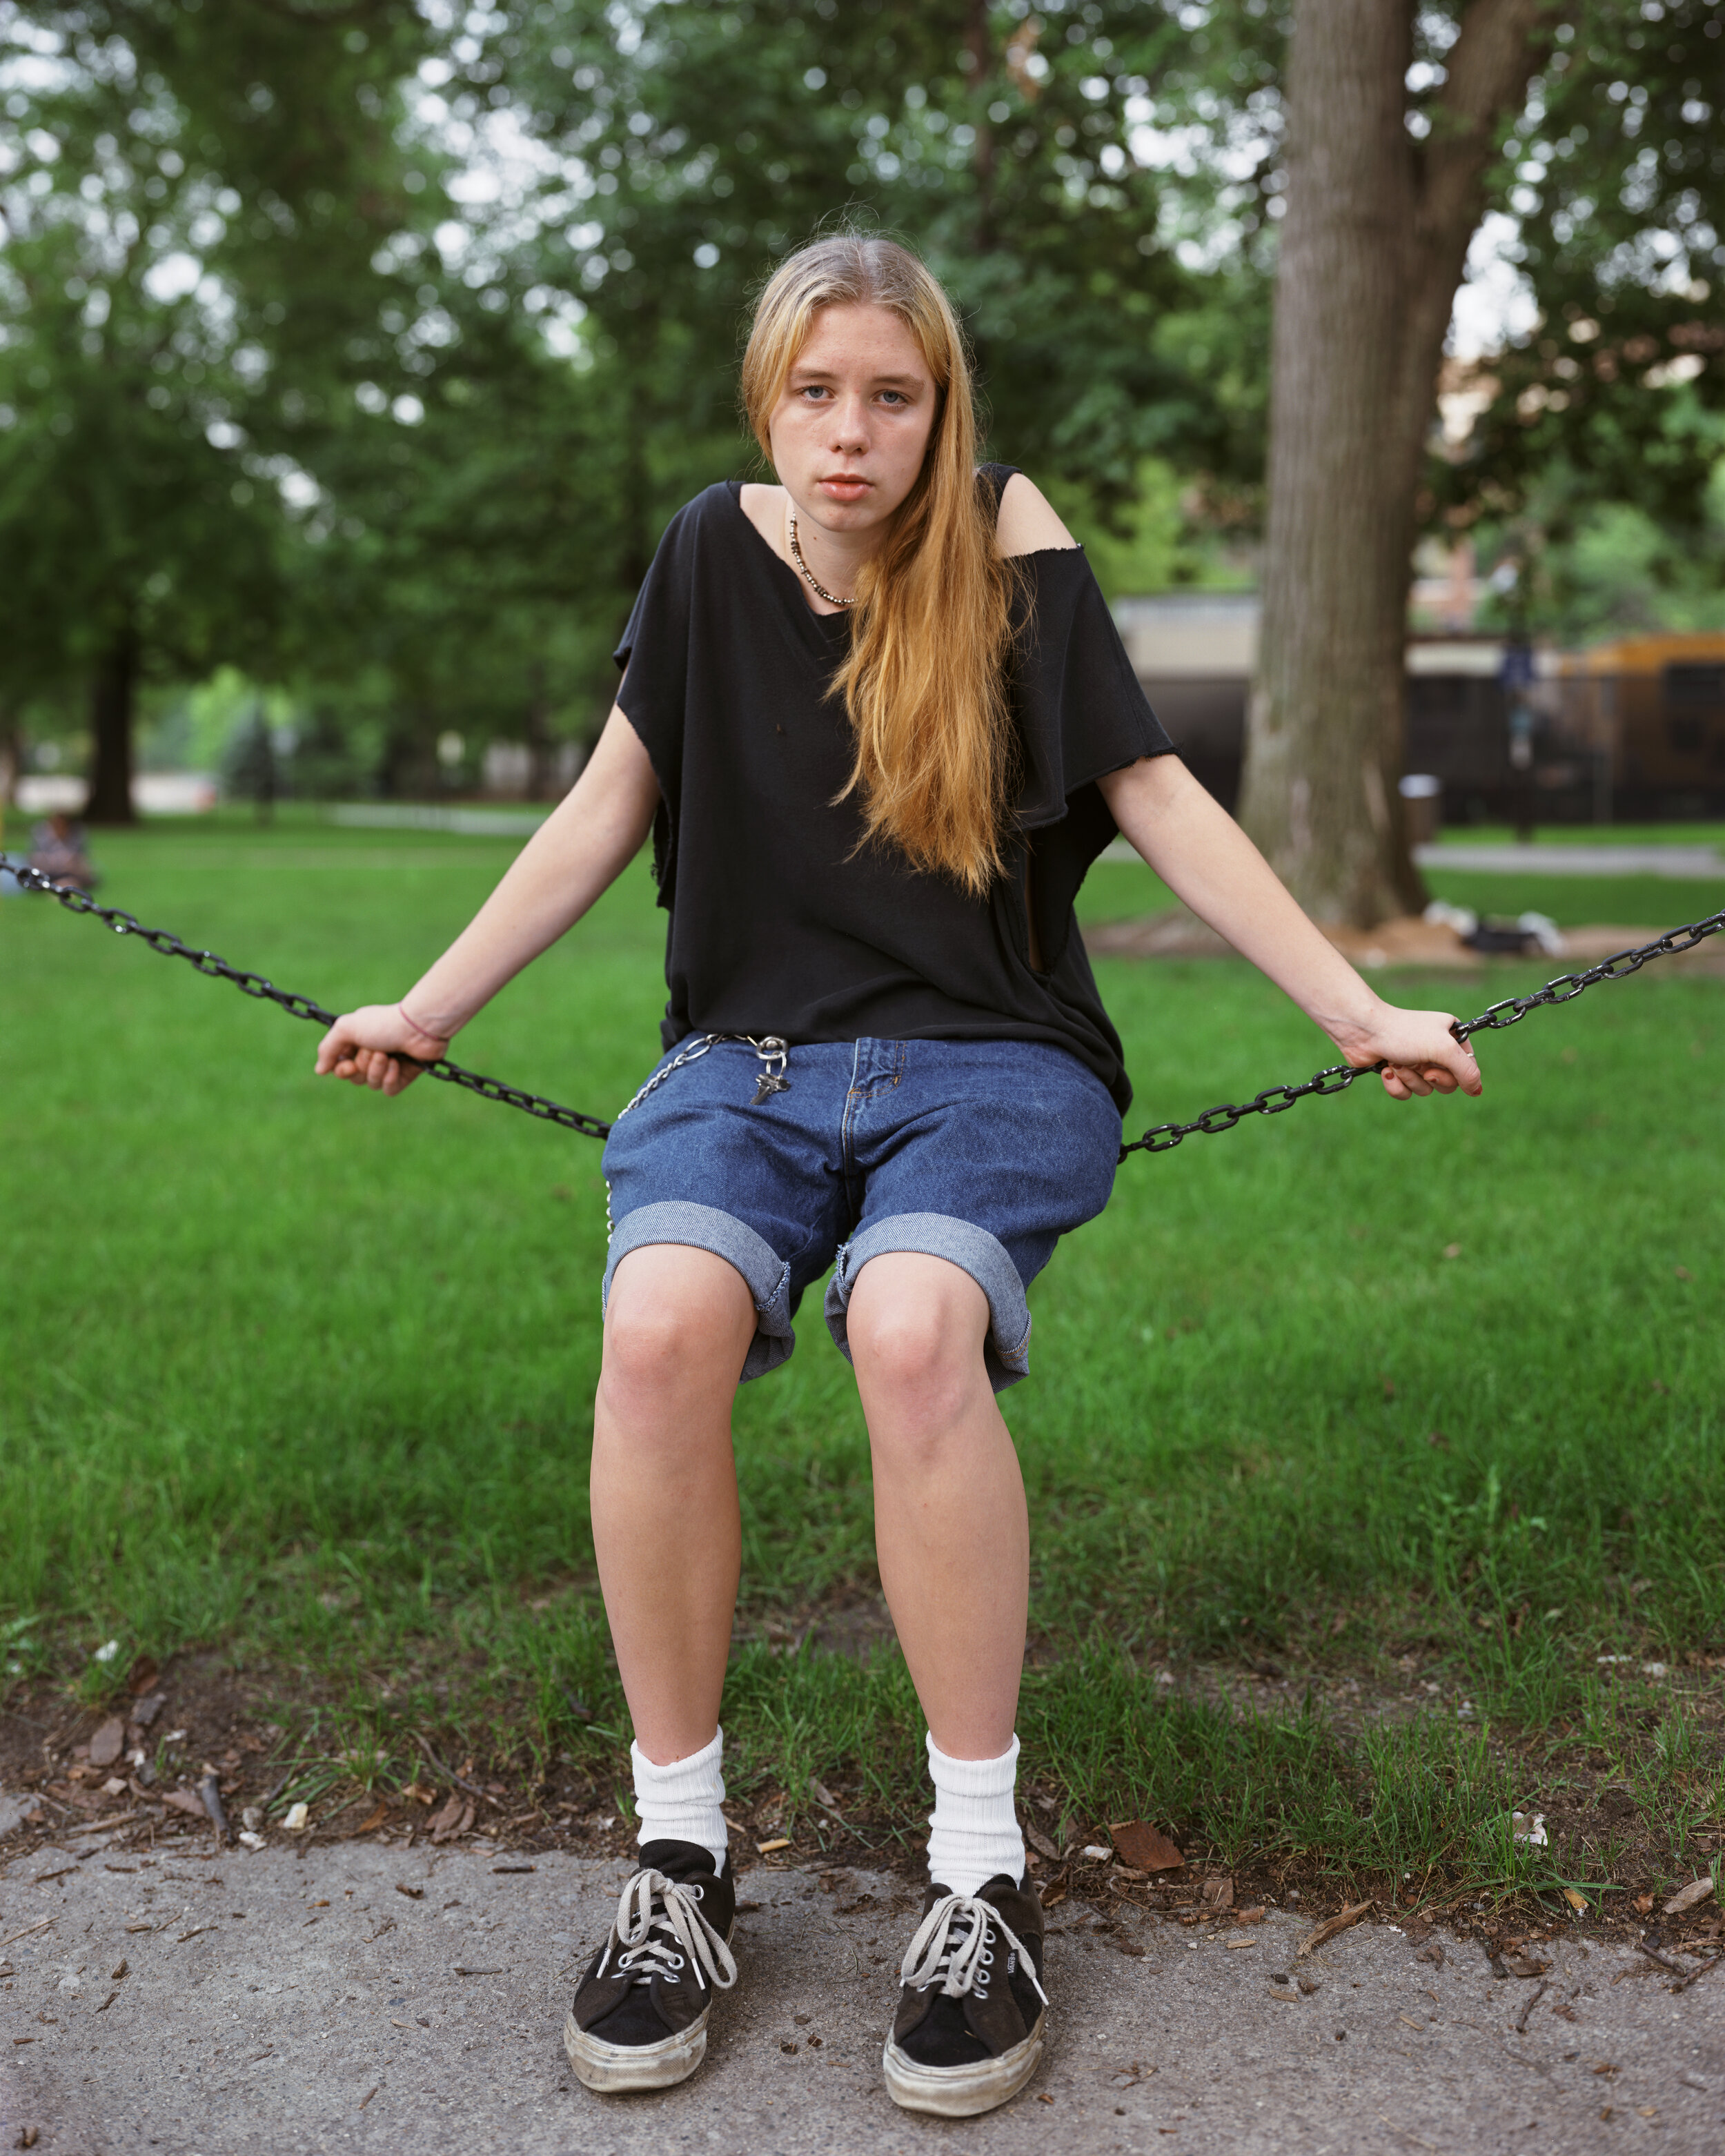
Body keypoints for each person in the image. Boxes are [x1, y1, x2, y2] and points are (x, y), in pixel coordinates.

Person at [315, 234, 1480, 2117]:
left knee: (913, 1325)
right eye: (814, 390)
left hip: (989, 1065)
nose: (849, 432)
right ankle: (678, 1861)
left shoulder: (1007, 560)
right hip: (743, 1070)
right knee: (657, 1322)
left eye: (891, 393)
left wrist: (1354, 1007)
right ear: (764, 398)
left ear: (942, 406)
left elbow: (1158, 794)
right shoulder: (708, 552)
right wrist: (429, 1005)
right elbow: (607, 800)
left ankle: (978, 1877)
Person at [28, 810, 98, 893]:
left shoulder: (77, 834)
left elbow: (82, 857)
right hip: (48, 872)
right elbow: (34, 857)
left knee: (86, 873)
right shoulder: (40, 834)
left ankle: (66, 885)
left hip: (70, 872)